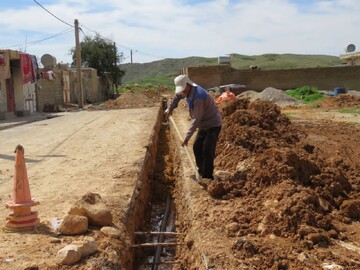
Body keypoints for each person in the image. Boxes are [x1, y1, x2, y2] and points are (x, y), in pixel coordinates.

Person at [165, 75, 222, 180]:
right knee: (197, 147)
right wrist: (170, 108)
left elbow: (196, 119)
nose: (182, 91)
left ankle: (208, 177)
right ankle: (201, 172)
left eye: (183, 88)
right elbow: (178, 96)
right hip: (203, 124)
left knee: (207, 150)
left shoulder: (199, 96)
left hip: (213, 124)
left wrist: (186, 138)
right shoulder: (187, 90)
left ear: (188, 84)